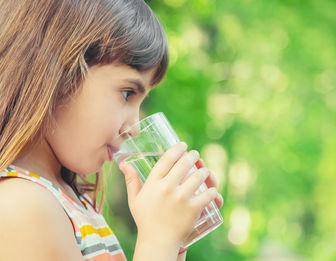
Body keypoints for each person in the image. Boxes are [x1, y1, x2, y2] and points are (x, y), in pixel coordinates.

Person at [0, 0, 224, 260]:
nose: (134, 128)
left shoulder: (71, 200)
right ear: (56, 74)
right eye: (128, 93)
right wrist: (157, 242)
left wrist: (172, 243)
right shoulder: (21, 206)